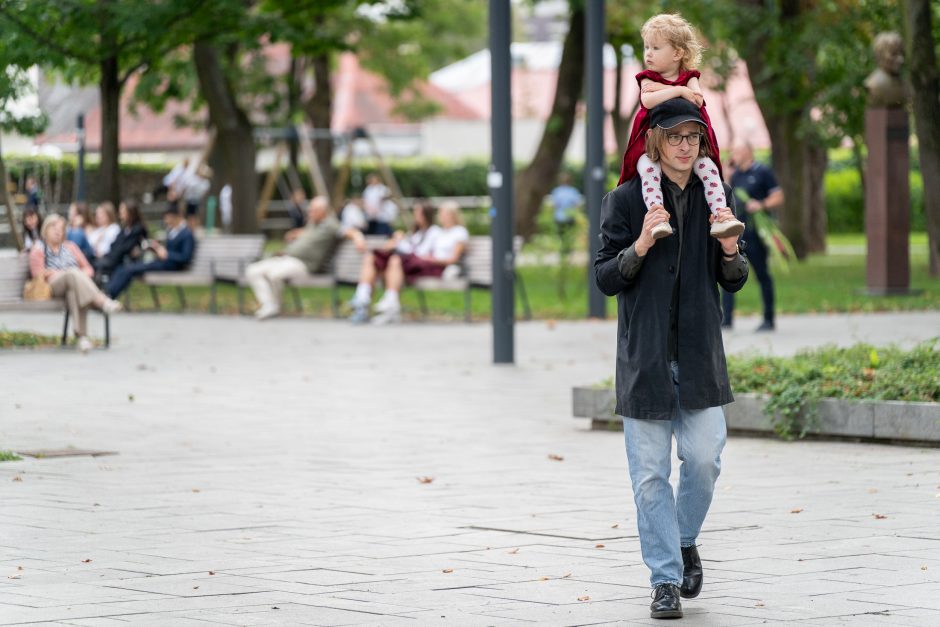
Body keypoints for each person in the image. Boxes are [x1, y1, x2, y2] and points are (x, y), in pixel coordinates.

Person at [594, 98, 748, 620]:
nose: (686, 146)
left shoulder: (715, 194)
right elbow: (605, 278)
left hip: (699, 354)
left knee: (705, 460)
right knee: (650, 476)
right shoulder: (624, 201)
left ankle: (682, 540)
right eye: (676, 137)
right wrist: (638, 245)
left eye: (694, 138)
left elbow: (734, 278)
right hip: (647, 360)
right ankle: (663, 580)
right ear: (656, 141)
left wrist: (729, 251)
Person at [617, 13, 744, 241]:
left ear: (677, 53)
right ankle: (658, 218)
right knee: (648, 170)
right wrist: (678, 91)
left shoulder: (690, 77)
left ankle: (720, 216)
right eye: (646, 47)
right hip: (651, 146)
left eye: (655, 47)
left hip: (683, 134)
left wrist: (679, 90)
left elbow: (697, 99)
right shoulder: (647, 78)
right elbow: (647, 101)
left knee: (708, 168)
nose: (648, 53)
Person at [245, 196, 366, 320]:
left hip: (305, 265)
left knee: (274, 274)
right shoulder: (313, 223)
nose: (309, 212)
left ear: (323, 210)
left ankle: (274, 306)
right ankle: (268, 305)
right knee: (252, 270)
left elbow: (349, 231)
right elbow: (311, 233)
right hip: (287, 258)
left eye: (313, 210)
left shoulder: (331, 224)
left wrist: (358, 238)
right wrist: (297, 233)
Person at [353, 200, 468, 325]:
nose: (441, 216)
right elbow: (417, 248)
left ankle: (384, 302)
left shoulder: (453, 232)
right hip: (420, 261)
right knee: (377, 257)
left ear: (453, 215)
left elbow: (450, 258)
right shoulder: (436, 232)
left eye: (444, 213)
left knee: (394, 260)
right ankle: (373, 300)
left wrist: (430, 258)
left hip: (433, 265)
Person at [29, 214, 122, 353]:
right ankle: (102, 301)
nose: (57, 231)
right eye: (54, 227)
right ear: (45, 229)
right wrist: (62, 273)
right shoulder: (39, 249)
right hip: (52, 286)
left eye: (61, 228)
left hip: (74, 285)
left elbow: (89, 269)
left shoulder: (71, 247)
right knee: (72, 273)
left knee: (73, 289)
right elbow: (38, 274)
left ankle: (82, 337)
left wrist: (77, 276)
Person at [722, 141, 784, 332]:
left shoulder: (762, 171)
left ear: (749, 152)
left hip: (757, 233)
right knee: (727, 273)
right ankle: (727, 319)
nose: (735, 155)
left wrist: (761, 204)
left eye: (737, 151)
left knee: (762, 274)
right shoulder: (736, 174)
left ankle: (768, 318)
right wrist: (727, 170)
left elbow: (778, 196)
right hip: (737, 233)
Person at [105, 208, 195, 299]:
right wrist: (155, 248)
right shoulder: (172, 231)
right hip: (162, 262)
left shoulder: (186, 234)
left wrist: (167, 255)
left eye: (167, 218)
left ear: (175, 217)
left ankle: (109, 295)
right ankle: (107, 293)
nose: (166, 221)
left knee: (129, 269)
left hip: (173, 266)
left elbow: (186, 257)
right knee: (124, 268)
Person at [95, 199, 149, 278]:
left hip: (128, 262)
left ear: (130, 213)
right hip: (116, 259)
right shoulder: (125, 229)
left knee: (99, 266)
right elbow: (114, 245)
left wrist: (115, 252)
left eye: (122, 211)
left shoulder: (138, 229)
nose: (120, 214)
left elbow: (126, 248)